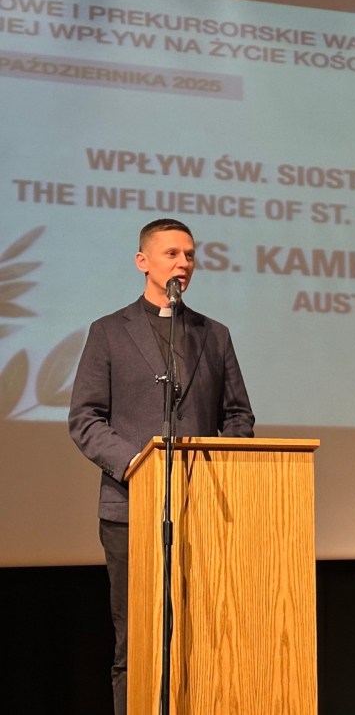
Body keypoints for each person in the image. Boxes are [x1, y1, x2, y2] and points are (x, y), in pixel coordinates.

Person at [68, 218, 254, 715]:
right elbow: (85, 418)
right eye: (172, 254)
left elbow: (238, 415)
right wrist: (136, 463)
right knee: (138, 640)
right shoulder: (109, 332)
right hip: (130, 509)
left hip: (202, 509)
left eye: (189, 255)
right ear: (143, 262)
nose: (183, 264)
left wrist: (223, 469)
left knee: (205, 635)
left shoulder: (214, 335)